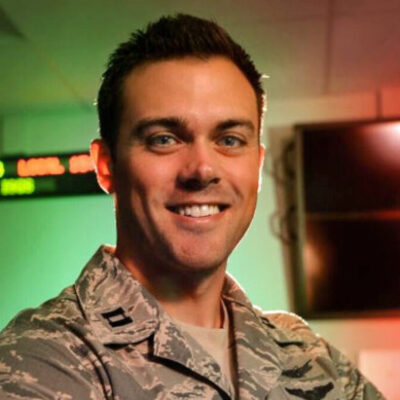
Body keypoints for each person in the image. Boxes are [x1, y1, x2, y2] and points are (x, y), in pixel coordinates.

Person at [0, 13, 384, 400]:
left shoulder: (307, 355)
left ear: (257, 165)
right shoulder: (42, 359)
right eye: (164, 139)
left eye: (229, 140)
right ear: (106, 166)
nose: (202, 169)